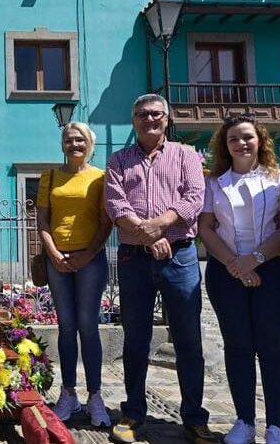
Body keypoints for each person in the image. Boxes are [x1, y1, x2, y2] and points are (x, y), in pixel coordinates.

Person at [105, 94, 217, 444]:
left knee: (188, 339)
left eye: (156, 114)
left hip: (180, 255)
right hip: (134, 258)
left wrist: (159, 226)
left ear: (167, 119)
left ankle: (194, 418)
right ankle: (133, 412)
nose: (149, 119)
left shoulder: (186, 155)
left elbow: (194, 198)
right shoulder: (119, 160)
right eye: (142, 114)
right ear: (133, 120)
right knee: (135, 338)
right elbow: (115, 203)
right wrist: (146, 235)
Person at [197, 115, 280, 444]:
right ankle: (244, 421)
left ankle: (276, 427)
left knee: (274, 348)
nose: (241, 143)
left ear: (260, 140)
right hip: (226, 271)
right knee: (238, 346)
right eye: (233, 139)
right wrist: (235, 264)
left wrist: (254, 260)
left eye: (247, 137)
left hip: (276, 270)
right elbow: (205, 229)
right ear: (225, 146)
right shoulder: (213, 182)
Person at [36, 121, 114, 427]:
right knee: (66, 328)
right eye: (69, 140)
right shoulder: (50, 177)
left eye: (80, 140)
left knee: (88, 326)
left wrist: (87, 254)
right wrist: (53, 252)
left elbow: (105, 221)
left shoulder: (100, 178)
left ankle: (95, 396)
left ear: (89, 144)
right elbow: (42, 219)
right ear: (62, 145)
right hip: (58, 261)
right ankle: (68, 394)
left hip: (90, 260)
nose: (74, 145)